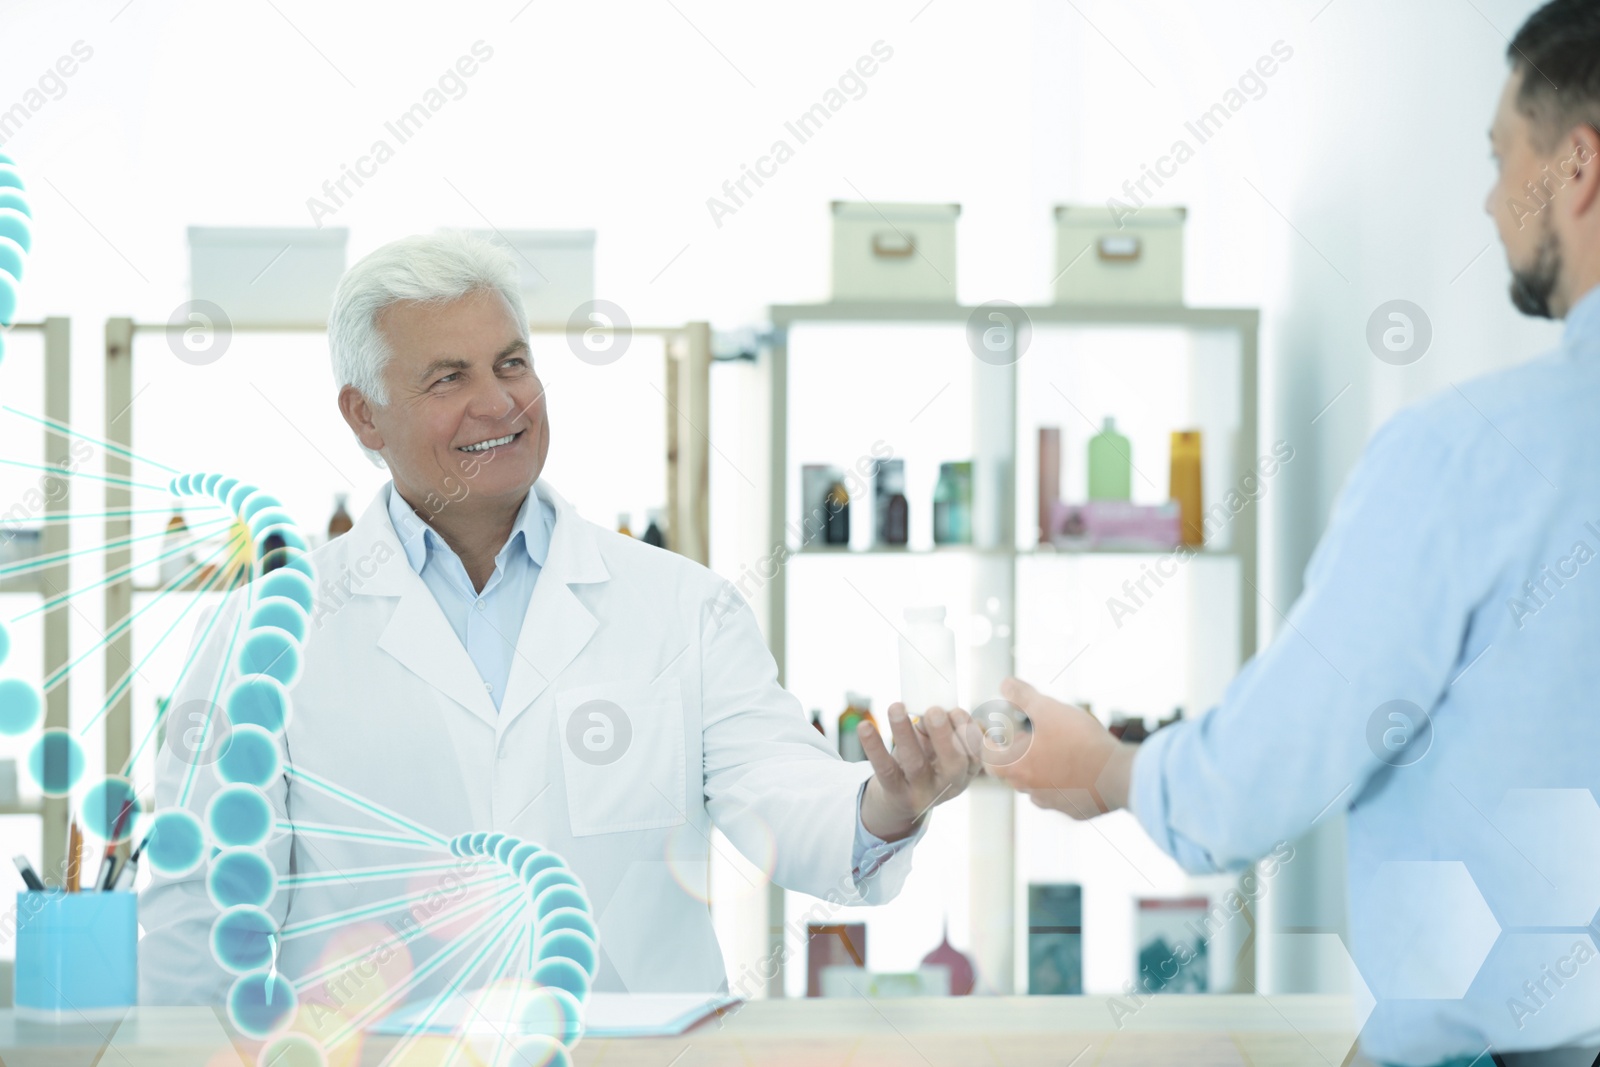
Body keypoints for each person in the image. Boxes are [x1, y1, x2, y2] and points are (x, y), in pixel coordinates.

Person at [139, 231, 981, 1010]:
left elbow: (780, 795)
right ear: (363, 414)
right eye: (448, 377)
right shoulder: (268, 633)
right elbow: (203, 917)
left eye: (511, 364)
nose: (498, 402)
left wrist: (886, 802)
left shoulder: (681, 606)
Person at [991, 2, 1600, 1064]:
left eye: (1504, 154)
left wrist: (1110, 766)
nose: (1493, 196)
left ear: (1577, 168)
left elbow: (1262, 775)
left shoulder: (1465, 457)